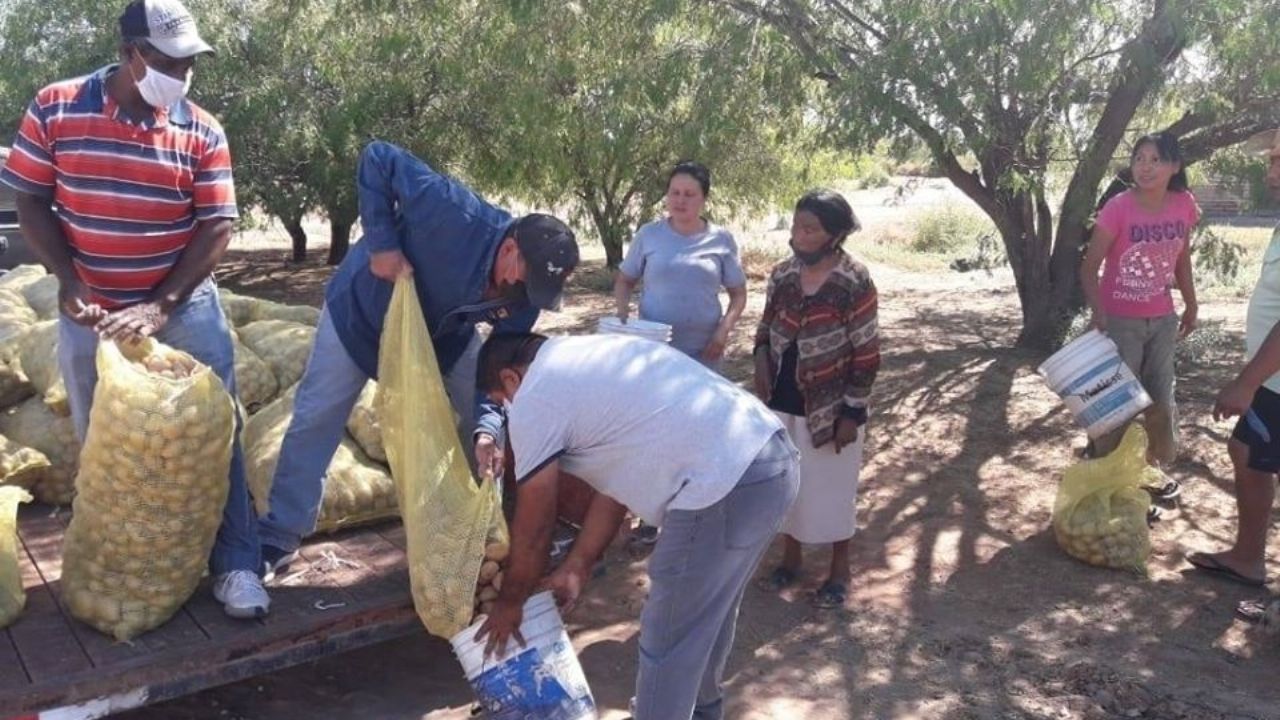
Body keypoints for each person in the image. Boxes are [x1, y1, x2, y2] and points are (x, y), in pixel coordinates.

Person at [0, 0, 268, 617]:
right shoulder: (56, 107)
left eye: (189, 63)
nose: (181, 74)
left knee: (219, 430)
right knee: (104, 445)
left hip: (184, 306)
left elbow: (217, 225)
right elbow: (32, 201)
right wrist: (67, 281)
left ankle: (235, 565)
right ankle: (120, 573)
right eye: (168, 61)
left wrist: (160, 306)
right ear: (130, 55)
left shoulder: (201, 129)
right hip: (90, 310)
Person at [258, 141, 579, 579]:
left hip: (440, 341)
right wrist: (382, 244)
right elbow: (378, 157)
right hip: (361, 320)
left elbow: (497, 367)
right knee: (318, 415)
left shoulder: (525, 295)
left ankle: (480, 532)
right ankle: (279, 533)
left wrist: (487, 427)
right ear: (510, 249)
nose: (525, 294)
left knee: (492, 420)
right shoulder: (452, 212)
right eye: (526, 279)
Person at [472, 332, 799, 720]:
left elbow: (535, 522)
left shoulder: (535, 397)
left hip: (724, 481)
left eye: (499, 402)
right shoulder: (588, 357)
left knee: (668, 636)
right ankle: (705, 714)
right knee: (706, 619)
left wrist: (510, 602)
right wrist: (578, 563)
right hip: (770, 460)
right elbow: (618, 483)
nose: (507, 411)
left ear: (510, 379)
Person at [752, 190, 880, 609]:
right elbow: (767, 325)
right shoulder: (782, 274)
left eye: (810, 229)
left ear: (835, 234)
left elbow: (866, 352)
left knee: (833, 487)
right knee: (789, 482)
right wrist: (760, 360)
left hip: (831, 404)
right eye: (796, 226)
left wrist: (852, 411)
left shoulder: (853, 280)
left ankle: (839, 570)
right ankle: (791, 560)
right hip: (783, 396)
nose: (799, 236)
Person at [1080, 132, 1200, 501]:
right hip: (1120, 321)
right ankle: (1104, 476)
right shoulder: (1118, 207)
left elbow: (1181, 258)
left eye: (1155, 159)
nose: (1145, 167)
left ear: (1174, 166)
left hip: (1162, 319)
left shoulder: (1184, 205)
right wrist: (1099, 314)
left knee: (1160, 400)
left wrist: (1191, 304)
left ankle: (1150, 471)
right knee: (1117, 404)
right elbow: (1089, 267)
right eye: (1139, 159)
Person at [1186, 130, 1280, 597]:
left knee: (1249, 451)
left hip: (1274, 380)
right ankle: (1247, 558)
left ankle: (1248, 558)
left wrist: (1246, 382)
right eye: (1271, 160)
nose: (1271, 172)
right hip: (1274, 379)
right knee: (1246, 451)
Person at [614, 161, 747, 369]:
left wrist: (723, 332)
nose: (680, 200)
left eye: (689, 194)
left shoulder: (721, 239)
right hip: (654, 350)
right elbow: (625, 280)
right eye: (674, 193)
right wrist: (623, 314)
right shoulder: (648, 235)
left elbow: (738, 294)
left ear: (704, 198)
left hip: (705, 351)